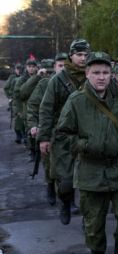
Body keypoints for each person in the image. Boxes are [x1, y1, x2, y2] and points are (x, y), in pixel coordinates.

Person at [52, 51, 118, 254]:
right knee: (94, 224)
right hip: (90, 171)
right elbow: (63, 134)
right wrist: (85, 145)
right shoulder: (76, 101)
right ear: (87, 73)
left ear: (112, 74)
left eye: (106, 72)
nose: (101, 77)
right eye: (96, 72)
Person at [38, 38, 91, 225]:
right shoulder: (58, 80)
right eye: (79, 54)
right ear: (71, 55)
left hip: (88, 136)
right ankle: (65, 203)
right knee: (66, 181)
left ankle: (89, 220)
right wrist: (44, 138)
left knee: (88, 183)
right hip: (63, 137)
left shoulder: (92, 76)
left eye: (86, 55)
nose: (83, 58)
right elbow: (46, 109)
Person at [26, 54, 66, 205]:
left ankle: (68, 199)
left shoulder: (75, 84)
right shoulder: (45, 84)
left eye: (65, 66)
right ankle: (50, 186)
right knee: (50, 164)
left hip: (69, 132)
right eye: (60, 66)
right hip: (50, 130)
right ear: (55, 67)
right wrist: (33, 125)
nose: (62, 69)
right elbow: (33, 105)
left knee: (70, 168)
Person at [12, 58, 38, 145]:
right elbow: (16, 96)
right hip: (25, 107)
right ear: (26, 67)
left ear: (36, 67)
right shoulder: (21, 79)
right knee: (28, 131)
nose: (31, 68)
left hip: (38, 107)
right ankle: (31, 151)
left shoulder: (40, 77)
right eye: (29, 66)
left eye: (33, 66)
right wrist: (18, 111)